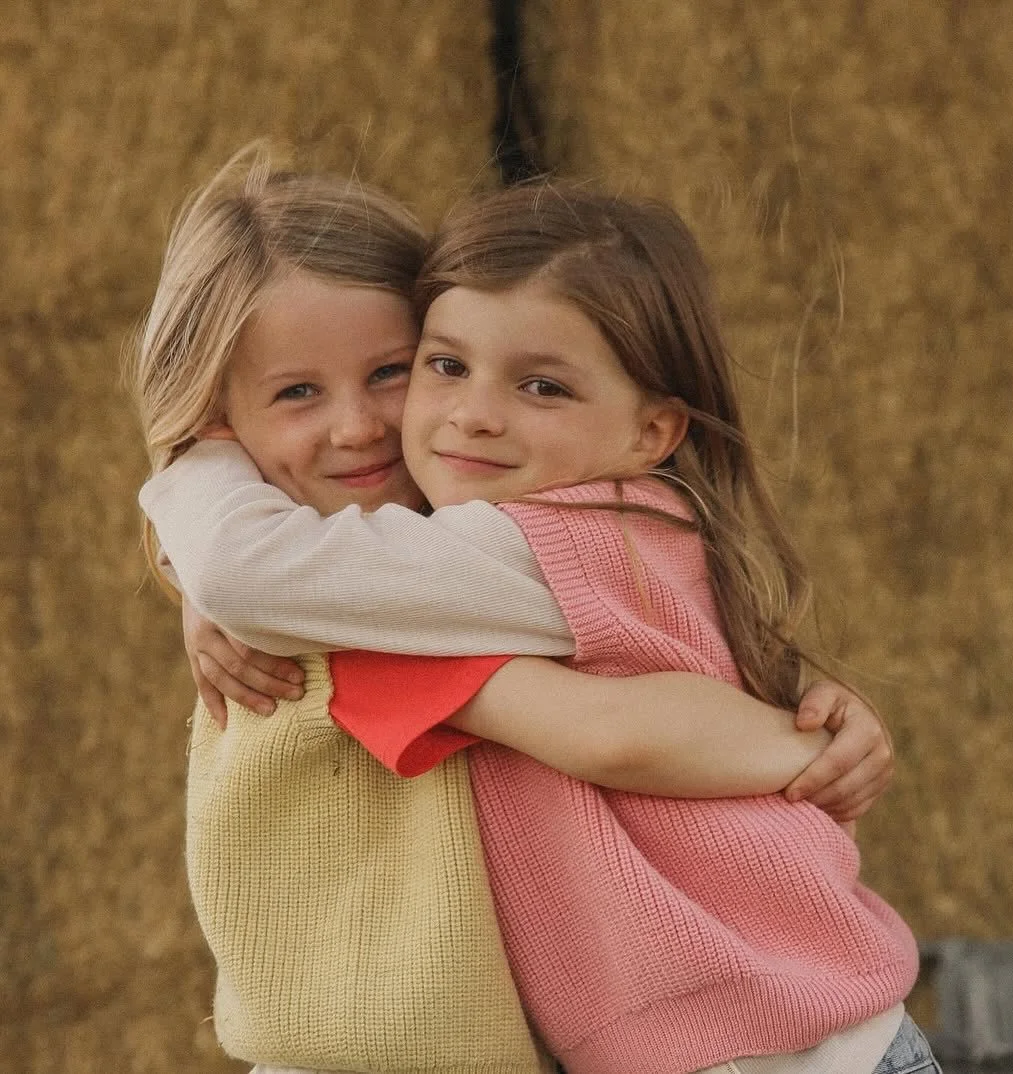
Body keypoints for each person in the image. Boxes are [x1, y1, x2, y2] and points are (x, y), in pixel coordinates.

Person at [140, 181, 938, 1074]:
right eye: (446, 367)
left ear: (651, 431)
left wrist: (192, 464)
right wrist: (194, 568)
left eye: (391, 372)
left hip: (772, 1046)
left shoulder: (535, 542)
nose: (363, 425)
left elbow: (257, 573)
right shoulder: (430, 573)